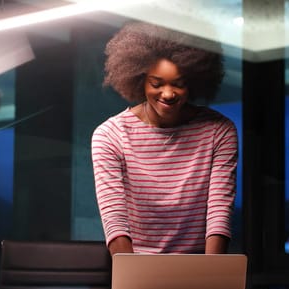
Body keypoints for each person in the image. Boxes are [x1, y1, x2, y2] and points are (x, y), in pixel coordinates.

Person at [91, 21, 238, 256]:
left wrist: (211, 277)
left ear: (193, 81)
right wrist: (133, 277)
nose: (168, 94)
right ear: (139, 80)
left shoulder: (218, 131)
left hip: (199, 271)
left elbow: (219, 214)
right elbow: (115, 221)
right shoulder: (110, 136)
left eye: (178, 84)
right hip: (136, 271)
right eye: (156, 84)